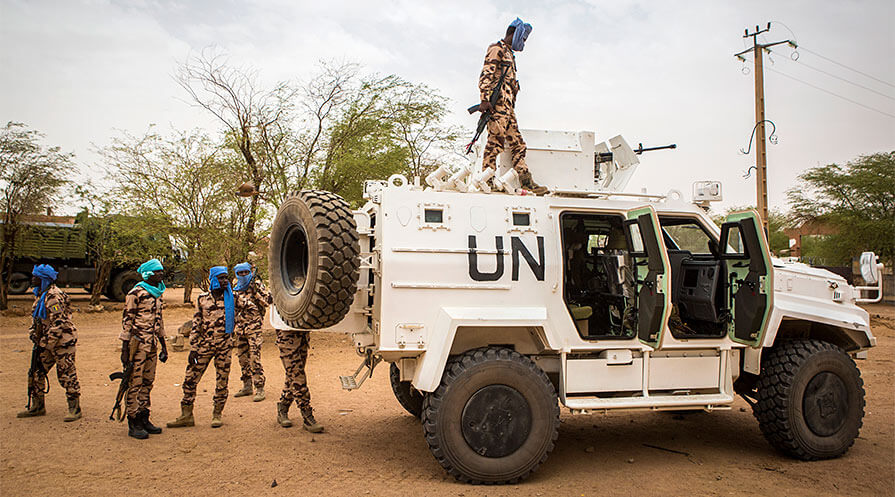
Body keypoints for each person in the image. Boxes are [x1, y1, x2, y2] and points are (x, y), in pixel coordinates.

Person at [478, 17, 546, 195]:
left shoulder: (510, 54)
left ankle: (526, 180)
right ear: (513, 33)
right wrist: (485, 100)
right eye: (522, 38)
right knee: (495, 143)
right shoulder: (496, 49)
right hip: (497, 107)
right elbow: (487, 74)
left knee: (518, 144)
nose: (523, 43)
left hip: (508, 109)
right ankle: (488, 180)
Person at [167, 266, 238, 429]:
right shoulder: (202, 299)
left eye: (226, 277)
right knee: (190, 379)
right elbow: (196, 323)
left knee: (222, 381)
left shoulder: (233, 298)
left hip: (224, 346)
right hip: (203, 346)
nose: (225, 281)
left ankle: (217, 414)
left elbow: (250, 308)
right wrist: (193, 348)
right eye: (221, 278)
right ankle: (186, 415)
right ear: (213, 279)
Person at [17, 264, 81, 421]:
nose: (32, 279)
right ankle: (37, 406)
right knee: (36, 372)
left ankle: (75, 408)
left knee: (66, 374)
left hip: (62, 343)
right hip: (46, 343)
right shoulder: (41, 295)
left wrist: (45, 343)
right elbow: (38, 320)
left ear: (43, 279)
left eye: (35, 277)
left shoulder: (54, 297)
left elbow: (58, 324)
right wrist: (33, 334)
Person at [119, 258, 169, 439]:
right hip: (137, 345)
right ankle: (133, 422)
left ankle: (144, 417)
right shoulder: (135, 293)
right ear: (148, 274)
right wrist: (124, 349)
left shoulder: (156, 293)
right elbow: (127, 321)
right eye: (157, 272)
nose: (161, 274)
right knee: (135, 383)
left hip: (152, 345)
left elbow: (159, 321)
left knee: (148, 382)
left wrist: (164, 346)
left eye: (161, 271)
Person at [232, 261, 272, 402]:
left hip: (254, 328)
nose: (243, 275)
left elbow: (267, 302)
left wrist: (255, 292)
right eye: (240, 273)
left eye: (245, 272)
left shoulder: (257, 285)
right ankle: (247, 385)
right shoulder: (235, 288)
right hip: (240, 328)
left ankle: (259, 387)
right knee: (242, 358)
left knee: (255, 358)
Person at [275, 326, 324, 433]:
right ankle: (306, 413)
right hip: (286, 338)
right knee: (297, 375)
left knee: (292, 376)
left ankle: (283, 406)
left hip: (302, 335)